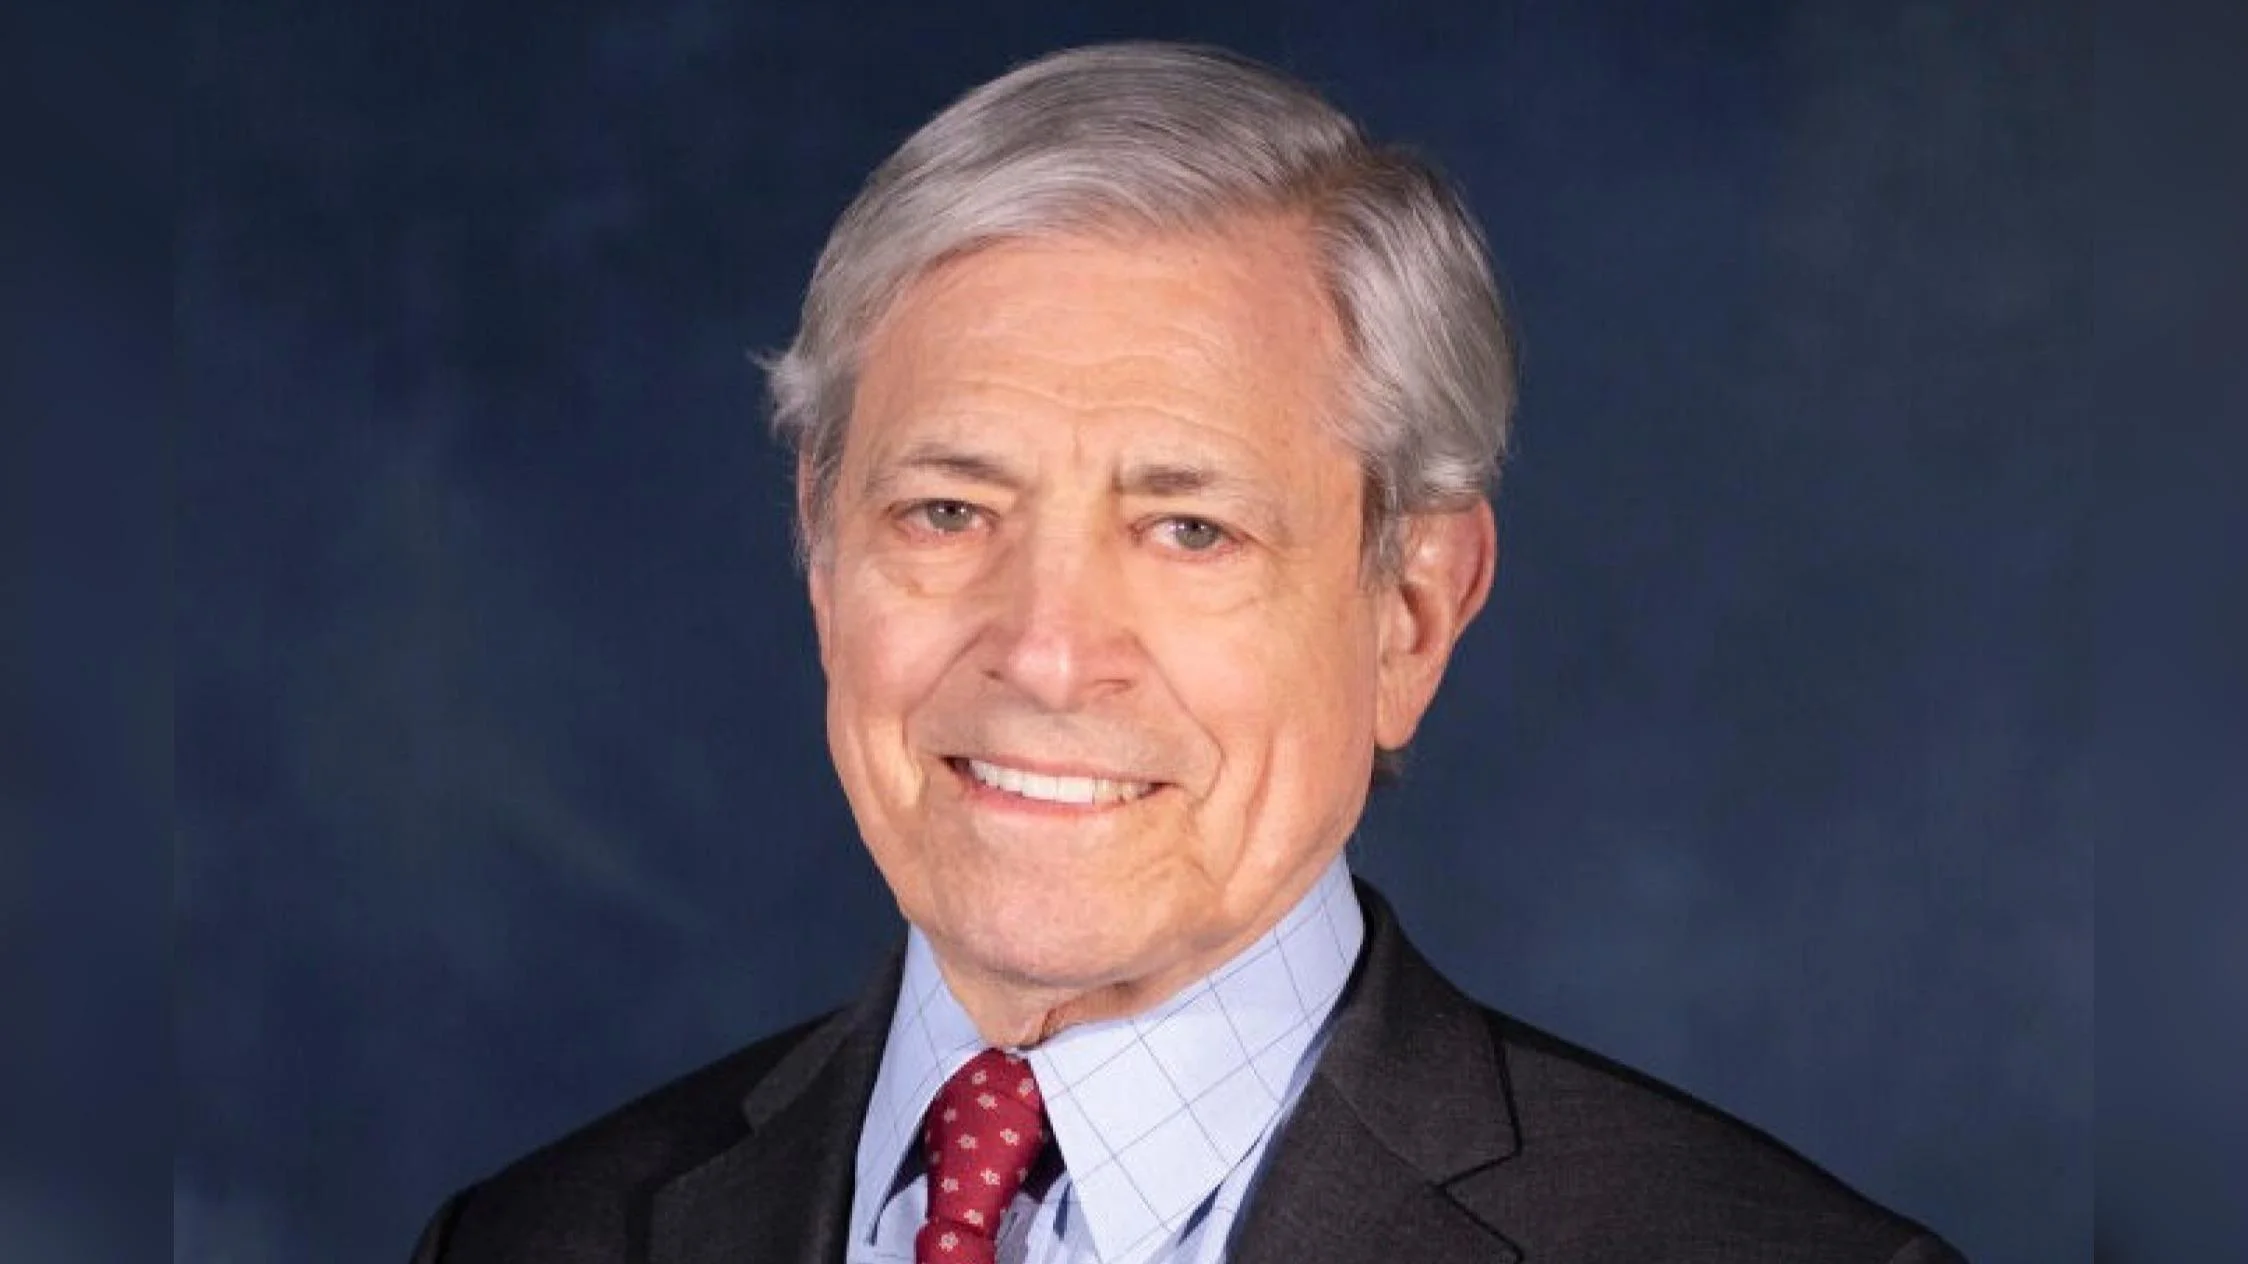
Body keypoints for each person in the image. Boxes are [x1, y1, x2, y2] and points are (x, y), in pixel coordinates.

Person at [410, 42, 1965, 1264]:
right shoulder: (531, 1239)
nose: (1046, 655)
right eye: (948, 511)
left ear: (1412, 609)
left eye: (1189, 530)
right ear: (821, 545)